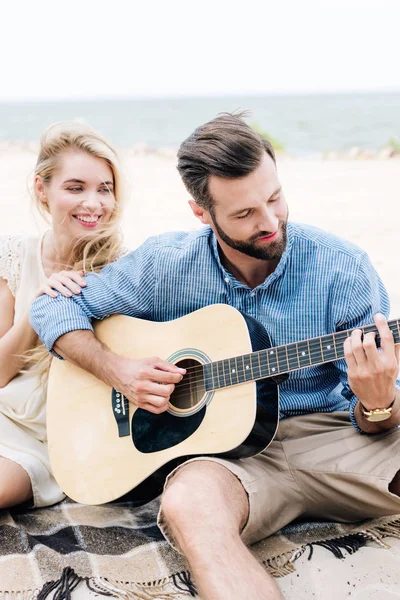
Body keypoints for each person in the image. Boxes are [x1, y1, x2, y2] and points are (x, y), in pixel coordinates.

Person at [30, 113, 400, 600]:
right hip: (226, 459)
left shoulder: (342, 267)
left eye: (274, 198)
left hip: (333, 433)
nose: (269, 222)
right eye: (245, 214)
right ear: (202, 213)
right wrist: (118, 371)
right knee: (191, 510)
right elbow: (53, 306)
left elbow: (376, 418)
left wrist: (378, 402)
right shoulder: (166, 264)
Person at [0, 121, 127, 510]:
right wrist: (38, 307)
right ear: (42, 189)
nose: (94, 203)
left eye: (104, 189)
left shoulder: (122, 271)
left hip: (51, 439)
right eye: (75, 188)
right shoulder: (15, 254)